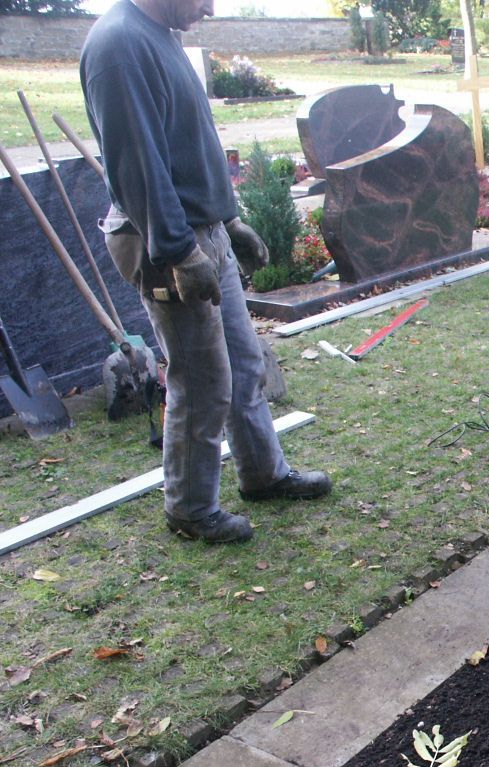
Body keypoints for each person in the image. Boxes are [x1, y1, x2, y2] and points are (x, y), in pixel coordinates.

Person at [80, 0, 330, 544]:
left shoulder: (160, 33)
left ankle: (263, 474)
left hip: (204, 230)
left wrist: (230, 219)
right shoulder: (119, 46)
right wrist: (175, 251)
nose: (211, 7)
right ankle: (190, 510)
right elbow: (136, 166)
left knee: (243, 362)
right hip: (164, 239)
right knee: (201, 379)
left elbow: (191, 145)